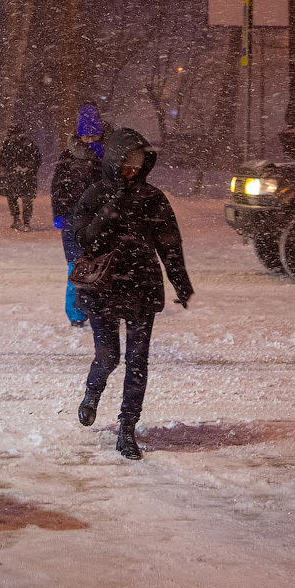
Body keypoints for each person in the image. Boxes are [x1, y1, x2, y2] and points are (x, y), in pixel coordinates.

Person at [73, 127, 193, 460]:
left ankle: (127, 428)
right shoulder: (94, 194)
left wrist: (181, 282)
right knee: (108, 356)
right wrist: (113, 206)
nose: (133, 169)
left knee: (138, 362)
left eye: (138, 162)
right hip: (104, 289)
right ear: (114, 161)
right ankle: (91, 394)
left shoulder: (154, 198)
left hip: (142, 286)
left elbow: (170, 245)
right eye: (127, 162)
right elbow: (86, 241)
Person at [50, 105, 105, 327]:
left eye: (94, 134)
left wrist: (107, 160)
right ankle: (76, 313)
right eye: (85, 135)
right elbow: (58, 186)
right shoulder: (68, 155)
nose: (90, 139)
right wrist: (59, 213)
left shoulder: (109, 153)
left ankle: (98, 308)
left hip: (101, 217)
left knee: (100, 264)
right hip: (73, 217)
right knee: (75, 265)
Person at [0, 125, 42, 231]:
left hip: (18, 177)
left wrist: (10, 169)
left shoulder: (11, 144)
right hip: (25, 177)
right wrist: (29, 169)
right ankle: (23, 221)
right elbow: (37, 160)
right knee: (24, 199)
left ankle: (18, 220)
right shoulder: (27, 144)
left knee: (15, 199)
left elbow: (3, 160)